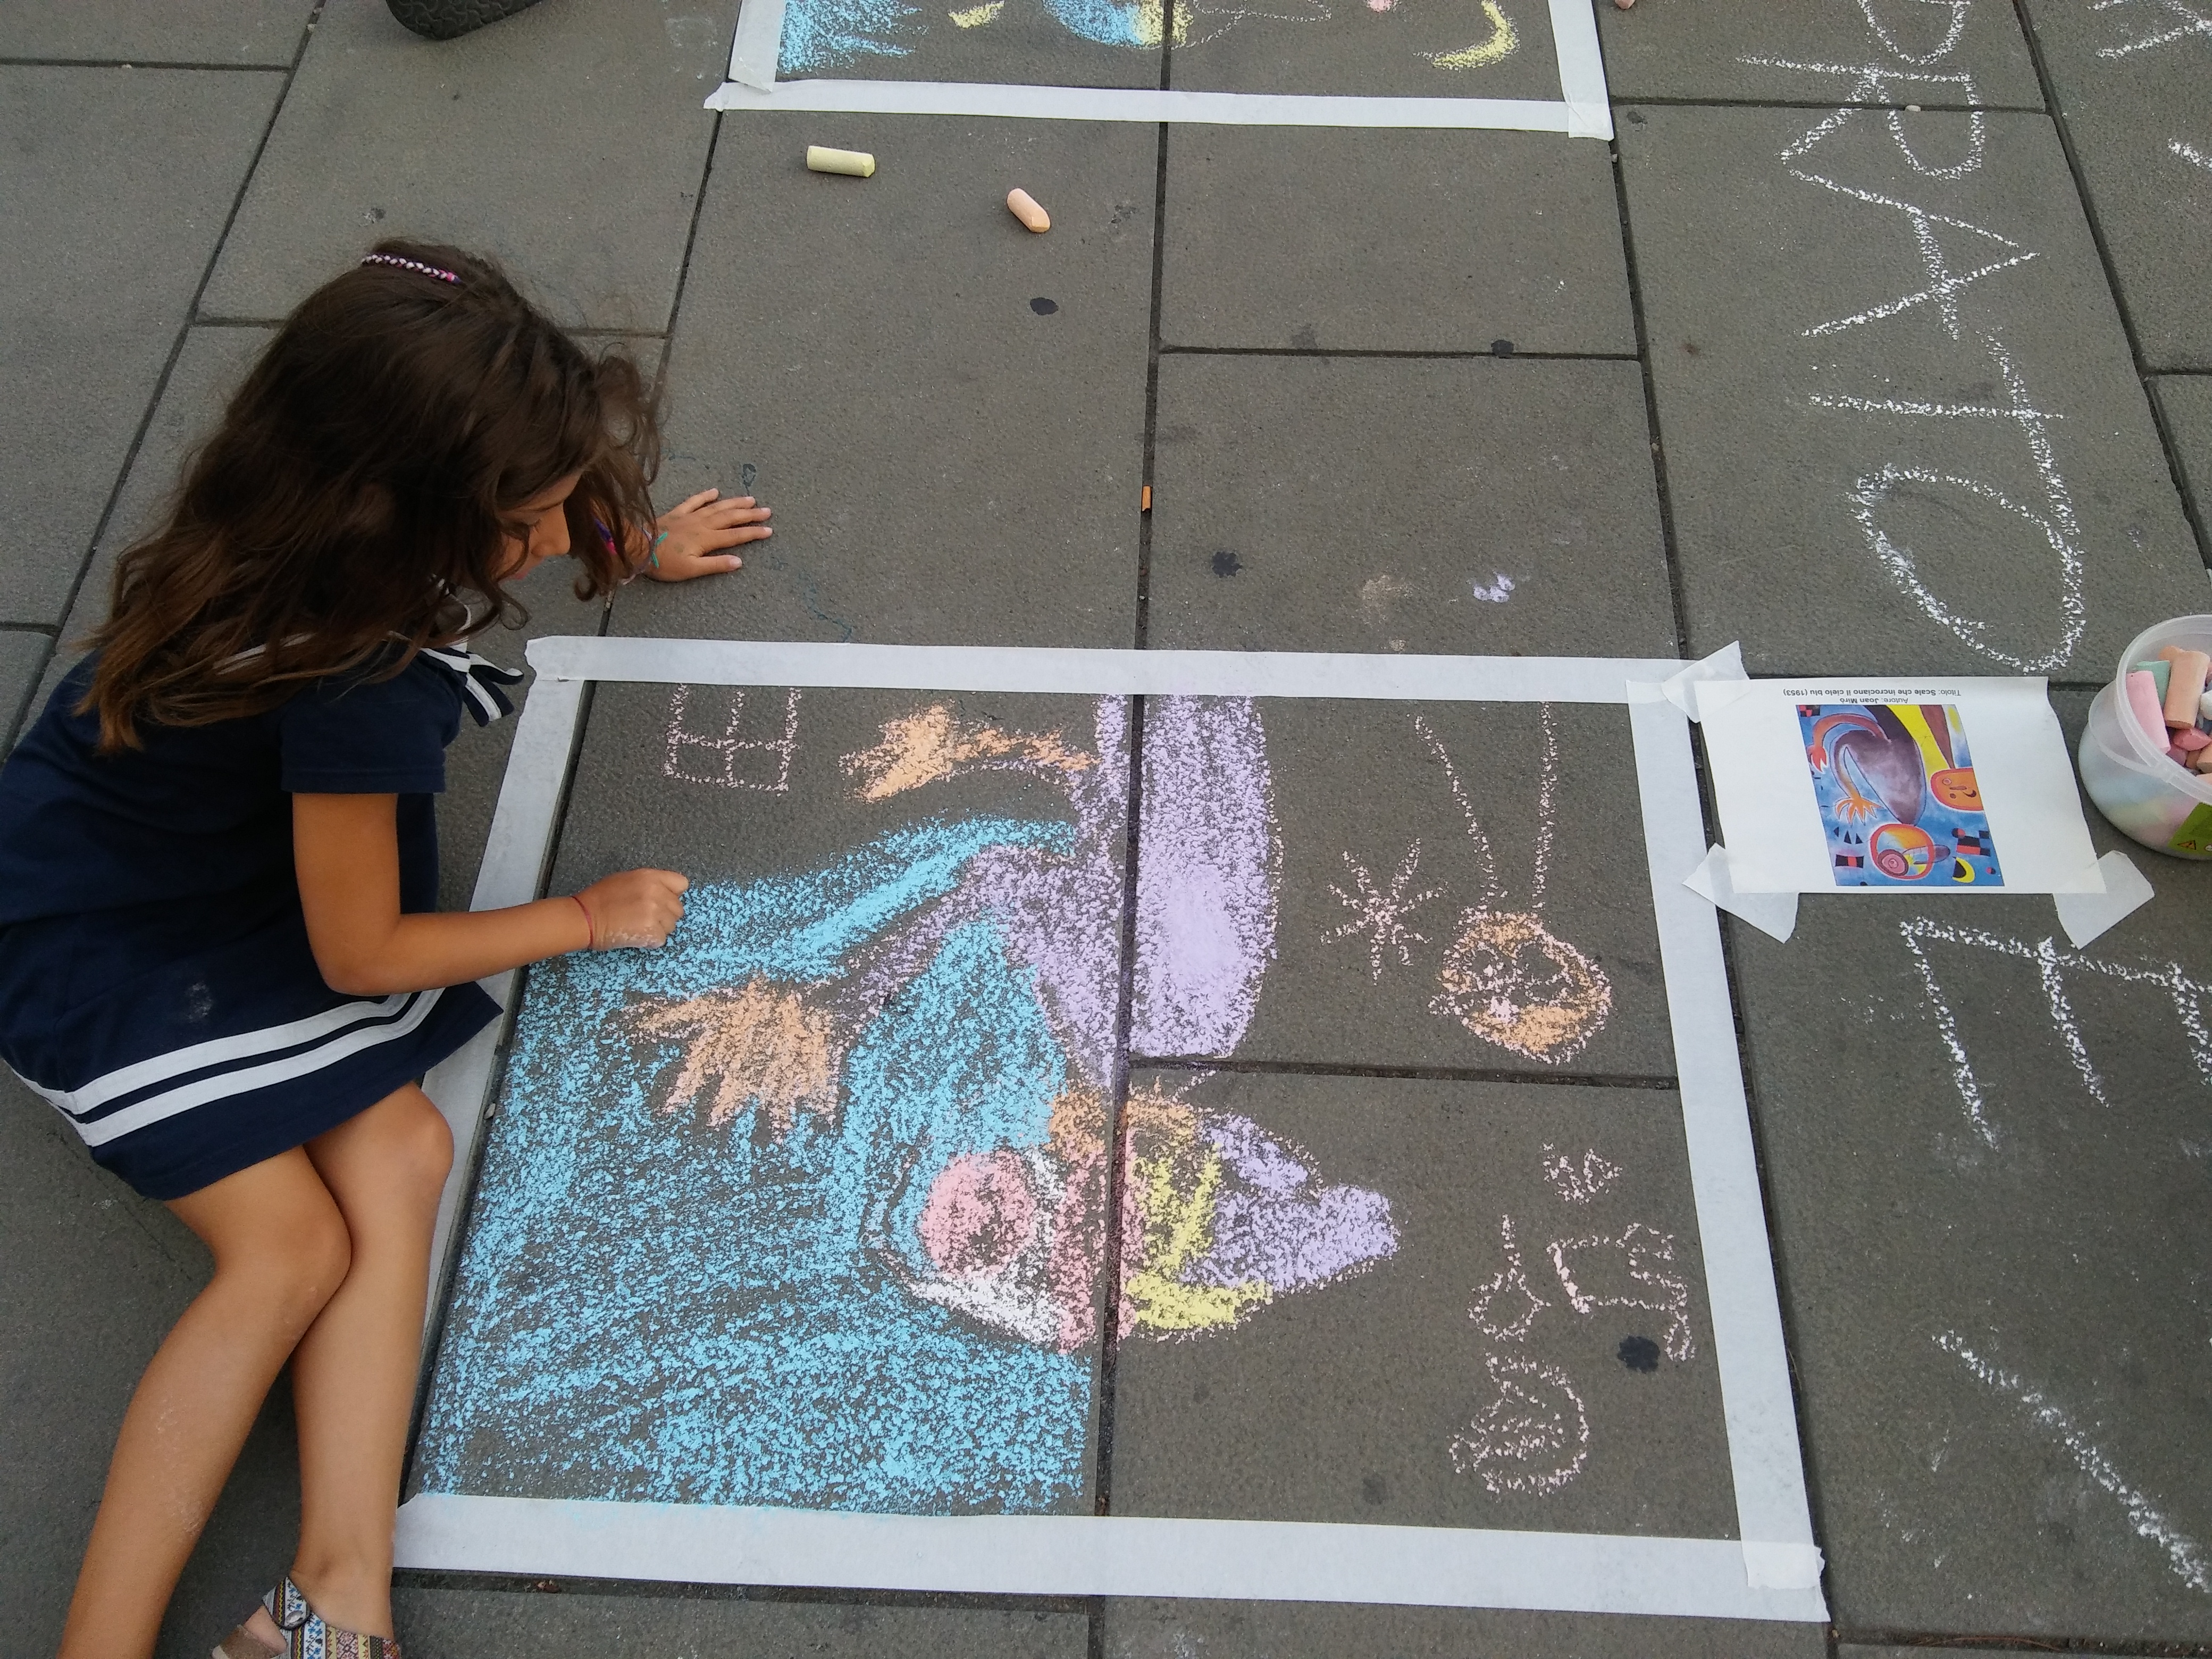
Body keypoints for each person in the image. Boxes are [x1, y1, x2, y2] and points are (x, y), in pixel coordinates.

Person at [0, 241, 772, 1659]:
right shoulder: (357, 683)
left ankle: (338, 1598)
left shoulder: (302, 511)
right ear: (412, 516)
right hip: (113, 948)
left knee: (405, 1150)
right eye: (533, 519)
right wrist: (580, 921)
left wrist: (631, 545)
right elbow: (361, 953)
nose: (558, 533)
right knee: (286, 1250)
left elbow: (538, 486)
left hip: (200, 870)